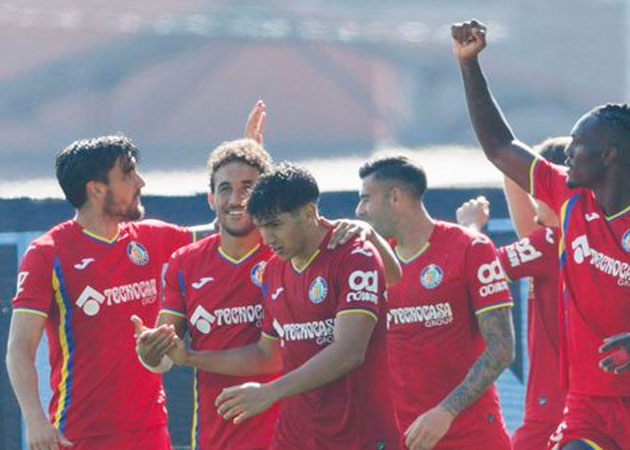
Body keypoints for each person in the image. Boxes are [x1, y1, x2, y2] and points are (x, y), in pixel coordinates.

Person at [452, 20, 630, 450]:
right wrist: (469, 65)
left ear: (609, 155)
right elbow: (500, 146)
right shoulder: (569, 198)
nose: (568, 154)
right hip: (588, 407)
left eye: (578, 144)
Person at [166, 163, 401, 449]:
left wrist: (270, 391)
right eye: (262, 226)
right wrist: (190, 357)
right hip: (295, 437)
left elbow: (348, 353)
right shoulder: (274, 270)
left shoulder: (354, 256)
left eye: (275, 225)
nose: (267, 238)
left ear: (309, 213)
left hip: (359, 437)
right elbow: (266, 354)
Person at [7, 135, 199, 449]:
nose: (141, 182)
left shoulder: (151, 237)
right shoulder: (47, 253)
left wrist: (248, 167)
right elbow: (19, 348)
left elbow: (221, 236)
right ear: (96, 189)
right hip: (80, 435)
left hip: (151, 431)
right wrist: (36, 421)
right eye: (128, 174)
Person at [356, 155, 515, 450]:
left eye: (366, 199)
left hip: (472, 436)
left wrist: (446, 411)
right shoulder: (373, 262)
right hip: (406, 437)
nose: (359, 210)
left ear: (395, 197)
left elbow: (502, 348)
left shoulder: (471, 248)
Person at [134, 136, 280, 450]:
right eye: (225, 189)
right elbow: (165, 349)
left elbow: (272, 357)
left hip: (285, 436)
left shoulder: (283, 257)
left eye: (248, 188)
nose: (236, 199)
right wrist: (150, 352)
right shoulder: (185, 262)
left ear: (265, 196)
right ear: (211, 199)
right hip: (214, 438)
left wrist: (190, 357)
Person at [455, 137, 569, 450]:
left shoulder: (551, 242)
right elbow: (531, 231)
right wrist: (510, 163)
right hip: (572, 402)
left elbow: (476, 272)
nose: (532, 201)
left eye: (535, 190)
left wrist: (470, 228)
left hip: (555, 407)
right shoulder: (571, 237)